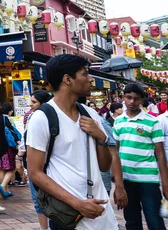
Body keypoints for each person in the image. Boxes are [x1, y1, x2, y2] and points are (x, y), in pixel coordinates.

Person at [26, 54, 118, 230]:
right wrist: (78, 204)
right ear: (67, 79)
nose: (91, 79)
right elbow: (35, 172)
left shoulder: (89, 114)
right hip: (68, 215)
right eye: (85, 74)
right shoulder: (42, 118)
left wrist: (101, 138)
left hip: (102, 214)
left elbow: (105, 166)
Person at [113, 83, 168, 230]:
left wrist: (166, 183)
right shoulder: (118, 122)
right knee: (131, 220)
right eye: (128, 97)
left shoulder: (153, 122)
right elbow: (115, 152)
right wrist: (117, 182)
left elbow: (160, 154)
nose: (132, 102)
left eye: (136, 99)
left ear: (142, 100)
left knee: (154, 220)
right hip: (126, 179)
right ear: (123, 98)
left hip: (148, 179)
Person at [18, 90, 53, 230]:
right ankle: (44, 228)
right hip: (34, 164)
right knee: (37, 198)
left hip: (49, 165)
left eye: (34, 102)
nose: (30, 105)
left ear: (43, 103)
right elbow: (25, 139)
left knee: (51, 198)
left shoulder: (49, 118)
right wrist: (19, 157)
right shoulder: (31, 117)